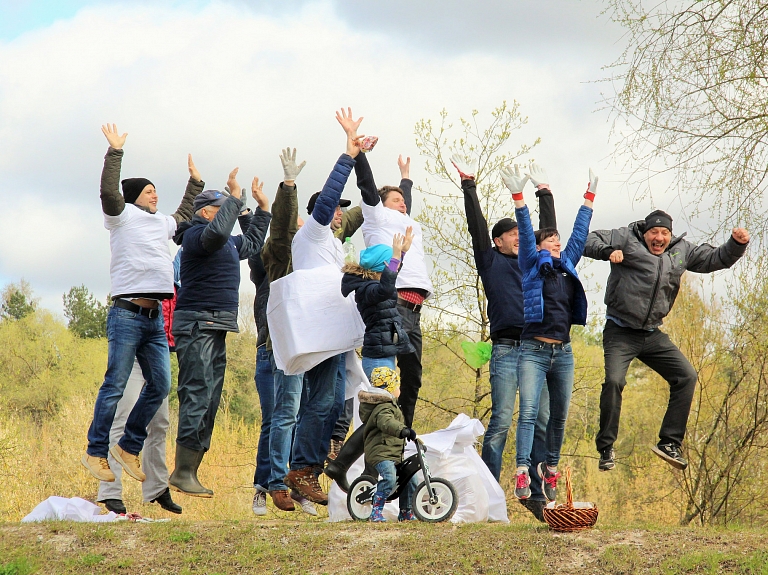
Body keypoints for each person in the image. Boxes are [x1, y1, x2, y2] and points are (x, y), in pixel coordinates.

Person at [81, 124, 203, 484]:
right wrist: (115, 152)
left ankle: (128, 446)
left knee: (160, 385)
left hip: (153, 320)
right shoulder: (121, 216)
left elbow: (183, 215)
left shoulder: (160, 222)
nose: (155, 195)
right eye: (150, 191)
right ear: (134, 196)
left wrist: (195, 183)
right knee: (115, 385)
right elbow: (107, 191)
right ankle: (95, 451)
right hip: (126, 314)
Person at [583, 210, 749, 471]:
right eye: (654, 233)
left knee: (687, 376)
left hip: (651, 334)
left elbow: (715, 259)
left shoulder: (681, 251)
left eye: (664, 234)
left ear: (670, 236)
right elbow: (587, 239)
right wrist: (607, 252)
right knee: (615, 381)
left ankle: (669, 443)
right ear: (645, 233)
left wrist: (737, 244)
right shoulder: (625, 238)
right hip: (620, 331)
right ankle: (606, 448)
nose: (659, 238)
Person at [451, 155, 557, 521]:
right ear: (498, 241)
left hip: (537, 351)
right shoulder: (490, 259)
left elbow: (548, 235)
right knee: (499, 424)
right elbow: (475, 226)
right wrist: (469, 184)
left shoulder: (534, 260)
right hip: (507, 350)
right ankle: (490, 497)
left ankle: (538, 495)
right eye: (513, 235)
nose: (520, 239)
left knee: (542, 420)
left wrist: (544, 193)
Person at [169, 171, 271, 497]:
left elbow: (253, 243)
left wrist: (261, 209)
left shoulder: (225, 242)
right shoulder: (196, 236)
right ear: (206, 212)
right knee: (197, 394)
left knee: (210, 399)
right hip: (197, 323)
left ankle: (190, 471)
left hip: (217, 326)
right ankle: (182, 470)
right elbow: (215, 234)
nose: (227, 212)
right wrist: (236, 196)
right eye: (223, 207)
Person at [282, 109, 364, 505]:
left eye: (338, 210)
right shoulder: (311, 236)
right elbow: (329, 198)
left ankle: (306, 469)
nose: (336, 212)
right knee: (322, 402)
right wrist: (347, 156)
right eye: (331, 209)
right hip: (318, 332)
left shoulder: (334, 245)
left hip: (336, 332)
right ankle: (301, 468)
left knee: (335, 402)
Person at [512, 166, 595, 503]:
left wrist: (589, 198)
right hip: (532, 350)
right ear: (540, 246)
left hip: (563, 353)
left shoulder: (567, 264)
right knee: (530, 411)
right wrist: (519, 198)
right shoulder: (531, 264)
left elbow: (579, 233)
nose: (558, 244)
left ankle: (551, 469)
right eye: (551, 241)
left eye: (558, 242)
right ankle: (521, 471)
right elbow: (524, 229)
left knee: (559, 415)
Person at [97, 359, 181, 515]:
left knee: (159, 424)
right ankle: (110, 492)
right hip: (131, 357)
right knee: (120, 421)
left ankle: (157, 488)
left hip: (158, 359)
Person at [341, 229, 415, 378]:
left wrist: (402, 253)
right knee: (386, 397)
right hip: (378, 358)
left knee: (390, 398)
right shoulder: (366, 289)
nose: (394, 267)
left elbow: (390, 279)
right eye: (391, 263)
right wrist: (395, 257)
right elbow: (386, 289)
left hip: (384, 353)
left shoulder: (375, 284)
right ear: (384, 266)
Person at [359, 367, 419, 522]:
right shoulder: (383, 407)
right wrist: (403, 430)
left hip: (392, 452)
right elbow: (387, 423)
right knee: (390, 478)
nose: (399, 389)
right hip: (380, 452)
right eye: (397, 386)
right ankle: (376, 511)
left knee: (410, 479)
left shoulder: (389, 405)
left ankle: (406, 511)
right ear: (390, 388)